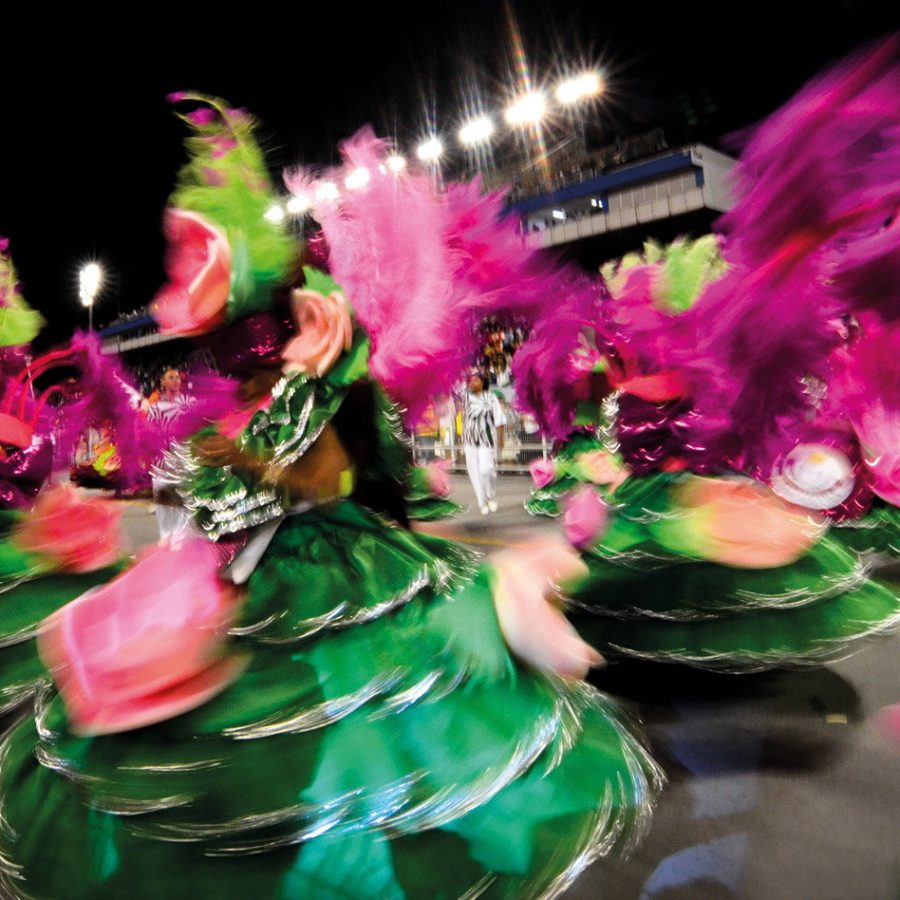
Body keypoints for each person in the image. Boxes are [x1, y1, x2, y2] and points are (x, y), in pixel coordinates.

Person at [0, 94, 661, 899]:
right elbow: (216, 493)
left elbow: (249, 495)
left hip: (325, 569)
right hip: (256, 570)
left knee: (343, 744)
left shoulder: (321, 359)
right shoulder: (264, 369)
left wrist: (303, 390)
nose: (180, 275)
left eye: (195, 253)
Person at [462, 371, 505, 514]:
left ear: (482, 382)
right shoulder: (465, 397)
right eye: (471, 380)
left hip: (486, 439)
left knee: (487, 469)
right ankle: (482, 501)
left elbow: (499, 419)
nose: (472, 383)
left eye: (475, 380)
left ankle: (490, 496)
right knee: (474, 471)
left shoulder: (491, 398)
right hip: (469, 440)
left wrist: (501, 440)